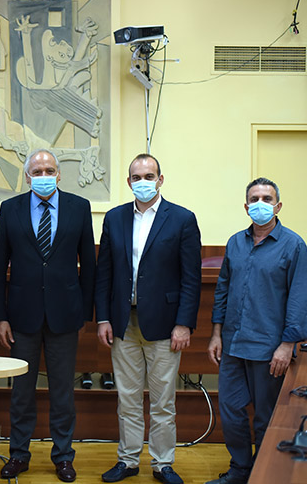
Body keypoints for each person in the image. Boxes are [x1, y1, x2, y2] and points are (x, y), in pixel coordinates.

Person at [0, 149, 95, 483]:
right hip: (22, 317)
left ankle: (63, 456)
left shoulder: (79, 207)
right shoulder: (10, 209)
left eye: (49, 170)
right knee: (21, 393)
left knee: (63, 393)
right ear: (27, 177)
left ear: (59, 174)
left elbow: (89, 265)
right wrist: (0, 317)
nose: (44, 175)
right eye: (37, 171)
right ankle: (19, 454)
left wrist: (85, 315)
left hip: (65, 316)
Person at [95, 154, 202, 484]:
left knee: (162, 401)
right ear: (129, 182)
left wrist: (184, 323)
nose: (143, 182)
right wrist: (103, 319)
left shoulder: (182, 219)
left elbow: (191, 278)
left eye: (149, 176)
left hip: (165, 325)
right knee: (127, 399)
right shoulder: (114, 218)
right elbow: (104, 273)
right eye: (137, 177)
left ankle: (162, 463)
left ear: (160, 179)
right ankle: (127, 460)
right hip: (123, 323)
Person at [206, 177, 307, 484]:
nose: (260, 204)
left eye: (267, 199)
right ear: (246, 206)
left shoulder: (294, 245)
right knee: (231, 411)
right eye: (254, 199)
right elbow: (222, 290)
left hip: (269, 348)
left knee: (266, 417)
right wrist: (216, 334)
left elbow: (299, 299)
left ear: (278, 206)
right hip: (233, 344)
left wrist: (287, 345)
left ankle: (263, 474)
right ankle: (240, 470)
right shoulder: (235, 243)